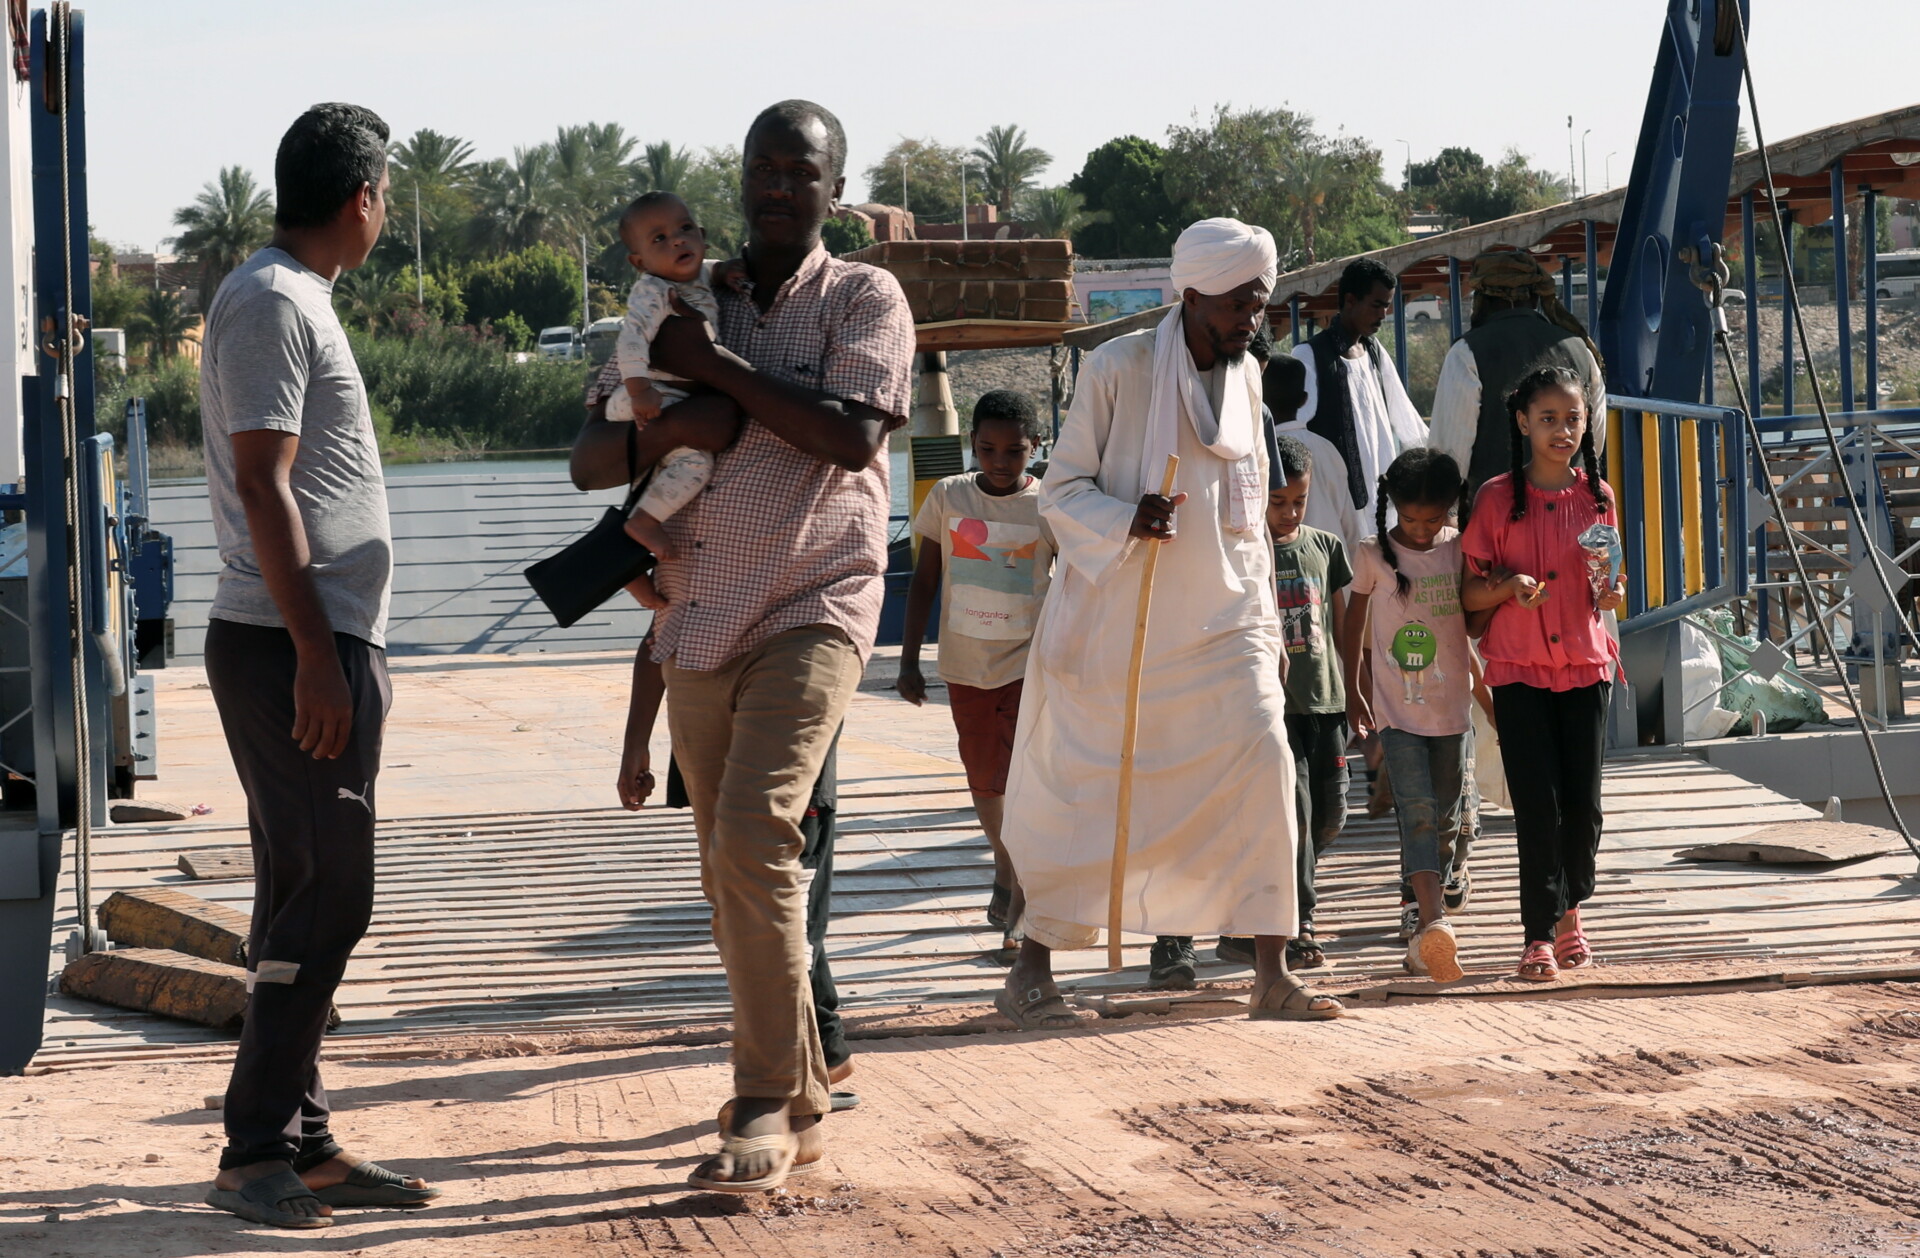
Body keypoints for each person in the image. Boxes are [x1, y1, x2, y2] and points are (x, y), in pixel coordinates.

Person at [569, 99, 914, 1195]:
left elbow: (853, 434)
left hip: (818, 599)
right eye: (761, 170)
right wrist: (667, 421)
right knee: (728, 874)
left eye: (798, 173)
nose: (775, 188)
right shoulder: (678, 294)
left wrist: (710, 368)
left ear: (833, 188)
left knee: (761, 834)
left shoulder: (864, 295)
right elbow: (589, 457)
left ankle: (759, 1094)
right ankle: (806, 1091)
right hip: (697, 611)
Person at [997, 217, 1341, 1028]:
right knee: (1085, 797)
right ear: (1191, 294)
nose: (1249, 318)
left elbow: (1248, 514)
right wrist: (1129, 517)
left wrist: (1264, 620)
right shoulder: (1118, 367)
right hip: (1123, 627)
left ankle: (1271, 972)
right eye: (1235, 304)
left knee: (1263, 773)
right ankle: (1030, 972)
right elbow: (1061, 489)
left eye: (1259, 302)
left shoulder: (1250, 377)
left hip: (1229, 625)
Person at [197, 103, 436, 1229]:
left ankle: (303, 1142)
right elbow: (264, 481)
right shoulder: (271, 300)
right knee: (334, 893)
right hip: (293, 640)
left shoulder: (293, 299)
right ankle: (252, 1152)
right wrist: (315, 658)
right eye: (386, 195)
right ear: (363, 200)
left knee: (301, 891)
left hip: (319, 636)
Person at [616, 641, 859, 1113]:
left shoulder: (812, 592)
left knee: (780, 906)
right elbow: (660, 632)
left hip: (791, 762)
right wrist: (636, 740)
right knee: (749, 901)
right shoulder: (699, 583)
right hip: (716, 729)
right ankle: (823, 1052)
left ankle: (795, 1084)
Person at [1462, 365, 1626, 982]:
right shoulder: (1497, 498)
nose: (1563, 431)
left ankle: (1570, 910)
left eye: (1574, 418)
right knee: (1537, 805)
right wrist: (1507, 587)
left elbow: (1608, 582)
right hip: (1518, 669)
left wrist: (1613, 596)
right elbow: (1470, 593)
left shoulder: (1599, 496)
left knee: (1583, 806)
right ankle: (1542, 934)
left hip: (1586, 664)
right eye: (1549, 418)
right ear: (1523, 421)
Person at [896, 391, 1054, 960]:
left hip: (1027, 665)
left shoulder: (1049, 505)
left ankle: (1019, 903)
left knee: (1022, 779)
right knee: (985, 781)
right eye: (987, 449)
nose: (1000, 462)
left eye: (1015, 451)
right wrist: (909, 659)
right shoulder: (949, 495)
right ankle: (1004, 860)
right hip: (965, 667)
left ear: (1034, 450)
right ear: (972, 446)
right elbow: (926, 579)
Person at [1342, 448, 1473, 984]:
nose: (1420, 530)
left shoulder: (1462, 550)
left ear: (1451, 509)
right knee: (1417, 809)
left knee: (1447, 811)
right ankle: (1431, 918)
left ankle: (1428, 898)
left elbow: (1477, 621)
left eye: (1433, 519)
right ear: (1391, 506)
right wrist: (1354, 690)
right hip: (1397, 711)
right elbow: (1352, 624)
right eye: (1409, 518)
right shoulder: (1372, 554)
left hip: (1452, 710)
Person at [607, 192, 749, 610]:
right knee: (695, 463)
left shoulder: (694, 275)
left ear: (701, 235)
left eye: (685, 230)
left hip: (661, 398)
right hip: (652, 396)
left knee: (648, 487)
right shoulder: (653, 289)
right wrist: (639, 391)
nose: (677, 242)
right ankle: (644, 525)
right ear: (639, 262)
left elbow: (708, 267)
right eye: (659, 239)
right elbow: (631, 337)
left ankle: (626, 566)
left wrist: (725, 271)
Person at [1428, 250, 1607, 495]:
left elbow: (1449, 453)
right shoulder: (1581, 350)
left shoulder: (1467, 352)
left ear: (1482, 298)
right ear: (1535, 298)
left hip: (1493, 519)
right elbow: (1593, 440)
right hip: (1570, 515)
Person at [1290, 258, 1428, 532]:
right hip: (1334, 502)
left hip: (1382, 497)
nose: (1383, 315)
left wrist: (1430, 467)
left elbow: (1405, 418)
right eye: (1377, 305)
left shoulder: (1375, 352)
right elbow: (1295, 434)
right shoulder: (1309, 356)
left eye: (1387, 306)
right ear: (1351, 300)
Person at [1263, 351, 1366, 549]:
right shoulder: (1328, 450)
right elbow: (1350, 525)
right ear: (1304, 400)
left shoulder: (1260, 452)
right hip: (1331, 569)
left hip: (1282, 573)